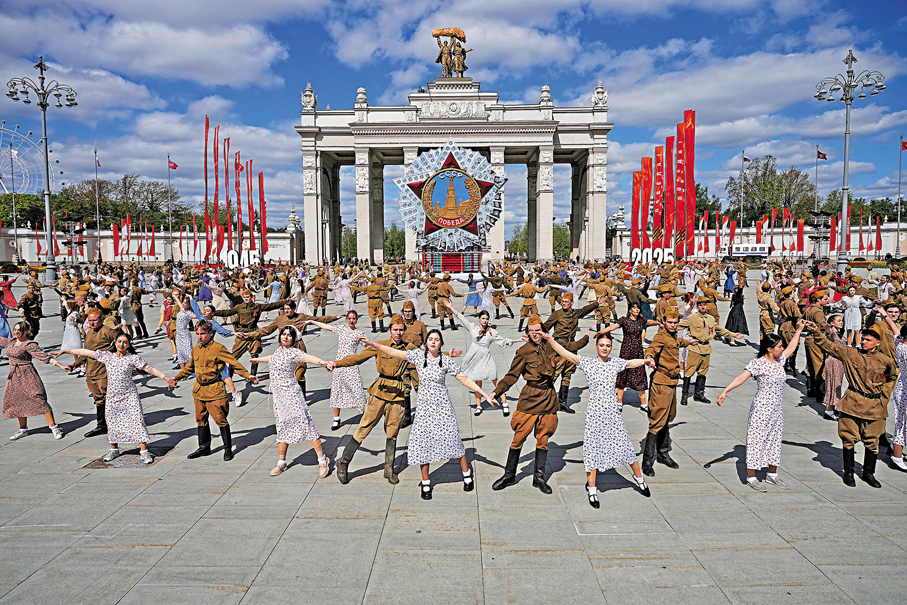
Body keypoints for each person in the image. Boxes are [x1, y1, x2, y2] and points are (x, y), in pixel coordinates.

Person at [360, 329, 494, 500]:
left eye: (436, 339)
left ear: (441, 343)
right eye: (430, 339)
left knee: (453, 438)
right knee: (423, 443)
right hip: (424, 409)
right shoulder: (417, 356)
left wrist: (484, 394)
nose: (433, 342)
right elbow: (394, 352)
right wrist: (373, 343)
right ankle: (426, 483)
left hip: (443, 408)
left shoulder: (445, 360)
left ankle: (466, 474)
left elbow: (464, 378)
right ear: (426, 342)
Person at [543, 331, 653, 507]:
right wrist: (550, 340)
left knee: (625, 445)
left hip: (613, 414)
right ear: (596, 347)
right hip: (595, 415)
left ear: (611, 347)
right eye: (602, 345)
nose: (604, 348)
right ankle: (592, 489)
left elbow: (632, 363)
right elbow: (568, 355)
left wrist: (646, 361)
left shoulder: (615, 363)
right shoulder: (589, 363)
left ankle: (639, 479)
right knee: (592, 449)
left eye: (608, 346)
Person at [490, 313, 589, 494]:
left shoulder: (552, 346)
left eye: (537, 330)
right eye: (531, 331)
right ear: (527, 333)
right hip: (530, 399)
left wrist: (589, 336)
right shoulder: (523, 352)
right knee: (518, 438)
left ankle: (539, 478)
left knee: (543, 440)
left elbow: (572, 346)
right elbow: (511, 376)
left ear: (543, 330)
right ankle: (509, 475)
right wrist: (496, 392)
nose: (535, 334)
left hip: (549, 398)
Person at [804, 319, 896, 488]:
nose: (863, 341)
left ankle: (869, 473)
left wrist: (884, 397)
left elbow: (892, 376)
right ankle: (848, 472)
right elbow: (828, 346)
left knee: (873, 442)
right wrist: (817, 331)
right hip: (852, 403)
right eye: (863, 338)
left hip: (875, 406)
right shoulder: (850, 353)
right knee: (848, 439)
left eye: (868, 340)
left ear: (878, 343)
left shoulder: (885, 360)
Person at [331, 314, 420, 485]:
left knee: (393, 432)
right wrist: (336, 364)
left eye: (401, 330)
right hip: (379, 392)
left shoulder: (410, 349)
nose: (398, 333)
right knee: (364, 427)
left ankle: (389, 469)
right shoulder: (380, 346)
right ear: (389, 330)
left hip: (398, 395)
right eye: (395, 330)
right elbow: (357, 357)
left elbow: (424, 360)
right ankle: (343, 462)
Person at [716, 323, 806, 491]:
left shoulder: (780, 361)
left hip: (776, 410)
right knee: (756, 440)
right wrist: (725, 391)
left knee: (774, 440)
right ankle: (751, 477)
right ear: (769, 349)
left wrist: (799, 330)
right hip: (761, 409)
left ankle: (772, 475)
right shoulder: (757, 363)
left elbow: (792, 348)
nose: (782, 348)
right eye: (779, 346)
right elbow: (741, 378)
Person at [63, 331, 170, 464]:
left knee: (138, 420)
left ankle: (144, 451)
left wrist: (166, 378)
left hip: (130, 395)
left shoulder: (132, 358)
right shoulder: (107, 356)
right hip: (113, 396)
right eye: (119, 341)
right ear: (115, 343)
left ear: (129, 344)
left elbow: (149, 369)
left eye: (125, 342)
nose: (122, 344)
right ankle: (114, 449)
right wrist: (65, 351)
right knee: (112, 422)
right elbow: (86, 352)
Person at [169, 321, 260, 461]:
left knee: (220, 420)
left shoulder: (218, 348)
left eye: (202, 334)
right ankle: (204, 448)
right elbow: (190, 368)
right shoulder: (196, 348)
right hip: (199, 390)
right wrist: (176, 378)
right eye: (197, 334)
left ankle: (227, 448)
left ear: (210, 333)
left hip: (215, 390)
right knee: (200, 420)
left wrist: (248, 375)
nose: (199, 337)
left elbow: (234, 363)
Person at [250, 326, 333, 477]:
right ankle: (282, 462)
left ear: (294, 339)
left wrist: (323, 362)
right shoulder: (277, 351)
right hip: (279, 398)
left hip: (292, 395)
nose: (286, 337)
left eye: (289, 335)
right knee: (282, 426)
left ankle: (322, 460)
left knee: (305, 424)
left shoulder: (294, 352)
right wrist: (260, 359)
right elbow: (273, 358)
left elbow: (307, 358)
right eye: (284, 334)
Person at [641, 307, 695, 476]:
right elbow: (651, 349)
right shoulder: (660, 336)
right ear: (663, 322)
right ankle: (647, 462)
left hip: (671, 383)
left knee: (668, 418)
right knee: (657, 420)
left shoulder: (672, 336)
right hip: (661, 383)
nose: (673, 325)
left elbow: (677, 342)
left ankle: (663, 454)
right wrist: (649, 358)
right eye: (670, 322)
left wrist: (688, 342)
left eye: (675, 322)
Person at [445, 301, 518, 416]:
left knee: (495, 379)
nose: (485, 320)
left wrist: (517, 340)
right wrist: (451, 308)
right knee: (477, 382)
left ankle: (504, 403)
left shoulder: (491, 332)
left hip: (486, 357)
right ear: (479, 319)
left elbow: (503, 341)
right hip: (474, 356)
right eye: (483, 318)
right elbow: (462, 319)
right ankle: (478, 406)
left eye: (487, 319)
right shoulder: (473, 328)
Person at [3, 322, 66, 441]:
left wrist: (60, 365)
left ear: (27, 331)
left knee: (39, 399)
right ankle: (23, 429)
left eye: (19, 330)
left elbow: (43, 356)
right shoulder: (11, 342)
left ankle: (54, 428)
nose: (16, 332)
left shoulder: (29, 344)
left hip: (27, 374)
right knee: (17, 400)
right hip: (14, 375)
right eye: (15, 329)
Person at [306, 311, 368, 430]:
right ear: (346, 319)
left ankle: (366, 415)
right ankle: (336, 419)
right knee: (337, 391)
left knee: (357, 389)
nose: (351, 320)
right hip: (338, 365)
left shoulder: (359, 333)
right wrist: (312, 321)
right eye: (349, 318)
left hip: (351, 365)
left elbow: (368, 347)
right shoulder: (341, 329)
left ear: (357, 320)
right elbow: (327, 326)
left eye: (354, 318)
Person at [543, 291, 600, 413]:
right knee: (555, 373)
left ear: (572, 303)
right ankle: (545, 401)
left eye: (566, 302)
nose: (563, 304)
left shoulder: (575, 313)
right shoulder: (557, 314)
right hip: (559, 346)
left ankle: (562, 403)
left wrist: (597, 303)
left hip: (572, 346)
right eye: (562, 302)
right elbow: (546, 327)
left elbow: (585, 310)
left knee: (567, 374)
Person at [677, 298, 742, 405]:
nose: (703, 307)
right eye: (700, 305)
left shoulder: (710, 319)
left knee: (703, 372)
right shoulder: (692, 318)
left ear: (707, 306)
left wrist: (734, 335)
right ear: (698, 306)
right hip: (695, 348)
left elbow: (719, 329)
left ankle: (699, 394)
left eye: (704, 305)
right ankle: (684, 395)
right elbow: (678, 326)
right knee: (689, 372)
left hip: (706, 348)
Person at [66, 308, 119, 437]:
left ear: (101, 319)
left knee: (110, 397)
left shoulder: (107, 331)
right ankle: (101, 425)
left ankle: (117, 423)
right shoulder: (89, 332)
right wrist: (75, 365)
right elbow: (85, 352)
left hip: (103, 371)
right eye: (90, 321)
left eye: (95, 320)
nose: (92, 323)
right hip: (91, 371)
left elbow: (122, 345)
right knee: (98, 399)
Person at [598, 301, 660, 411]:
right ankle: (619, 402)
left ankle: (644, 404)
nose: (637, 310)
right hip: (626, 350)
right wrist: (601, 332)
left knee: (640, 373)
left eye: (638, 308)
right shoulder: (624, 320)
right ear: (630, 310)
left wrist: (659, 323)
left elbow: (649, 322)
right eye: (634, 308)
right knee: (623, 374)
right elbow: (613, 327)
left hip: (638, 350)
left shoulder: (641, 320)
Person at [823, 314, 846, 421]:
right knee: (832, 385)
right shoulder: (832, 333)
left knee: (837, 384)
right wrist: (828, 329)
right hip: (833, 361)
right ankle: (828, 410)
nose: (841, 322)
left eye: (841, 320)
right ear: (832, 323)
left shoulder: (838, 332)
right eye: (838, 321)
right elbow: (828, 335)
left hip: (839, 362)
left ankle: (835, 404)